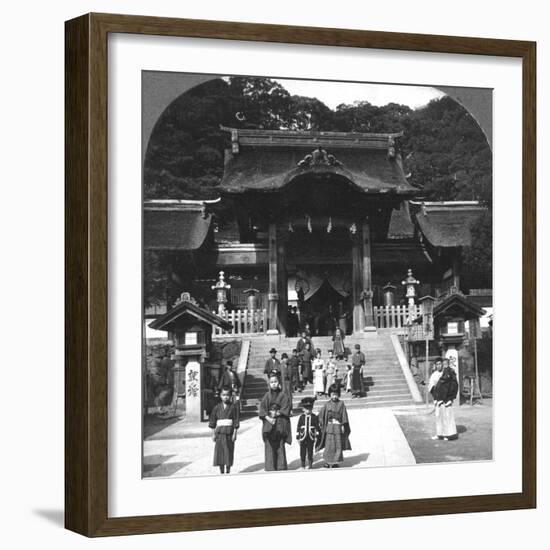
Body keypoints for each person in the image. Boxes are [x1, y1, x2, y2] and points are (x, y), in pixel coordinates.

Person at [259, 373, 292, 471]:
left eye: (275, 382)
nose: (274, 384)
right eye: (271, 382)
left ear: (279, 383)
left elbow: (286, 407)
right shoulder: (266, 396)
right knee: (269, 446)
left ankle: (281, 467)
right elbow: (262, 410)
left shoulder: (283, 396)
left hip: (280, 423)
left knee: (280, 446)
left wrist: (277, 413)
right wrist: (268, 418)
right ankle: (270, 467)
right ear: (269, 384)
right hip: (269, 424)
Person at [317, 384, 351, 468]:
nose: (334, 396)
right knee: (329, 446)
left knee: (337, 445)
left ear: (338, 394)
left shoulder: (341, 404)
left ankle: (336, 462)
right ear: (329, 394)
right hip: (329, 427)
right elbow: (321, 415)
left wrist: (343, 425)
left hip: (338, 427)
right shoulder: (327, 404)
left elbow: (344, 415)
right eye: (332, 394)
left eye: (336, 394)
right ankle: (328, 462)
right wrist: (320, 422)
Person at [208, 386, 240, 474]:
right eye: (223, 395)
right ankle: (221, 471)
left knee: (229, 452)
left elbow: (236, 420)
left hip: (229, 434)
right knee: (220, 453)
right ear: (220, 396)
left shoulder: (233, 407)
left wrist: (235, 433)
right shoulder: (217, 408)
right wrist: (213, 434)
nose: (225, 397)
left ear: (230, 396)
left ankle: (228, 470)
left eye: (227, 395)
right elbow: (212, 422)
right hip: (219, 434)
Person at [430, 359, 459, 441]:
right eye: (437, 364)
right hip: (438, 398)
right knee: (438, 417)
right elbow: (431, 386)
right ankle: (439, 434)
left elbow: (453, 385)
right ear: (435, 365)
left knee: (447, 416)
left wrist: (450, 397)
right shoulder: (434, 374)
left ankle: (448, 434)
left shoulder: (447, 373)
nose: (439, 365)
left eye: (440, 364)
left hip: (446, 398)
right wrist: (435, 396)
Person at [296, 397, 320, 469]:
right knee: (302, 451)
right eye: (306, 409)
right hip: (303, 436)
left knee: (310, 450)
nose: (308, 411)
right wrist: (298, 437)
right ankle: (303, 464)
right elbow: (298, 427)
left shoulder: (314, 417)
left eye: (310, 409)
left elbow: (317, 427)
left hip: (311, 436)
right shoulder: (301, 417)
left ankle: (310, 464)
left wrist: (316, 437)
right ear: (303, 409)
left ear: (312, 409)